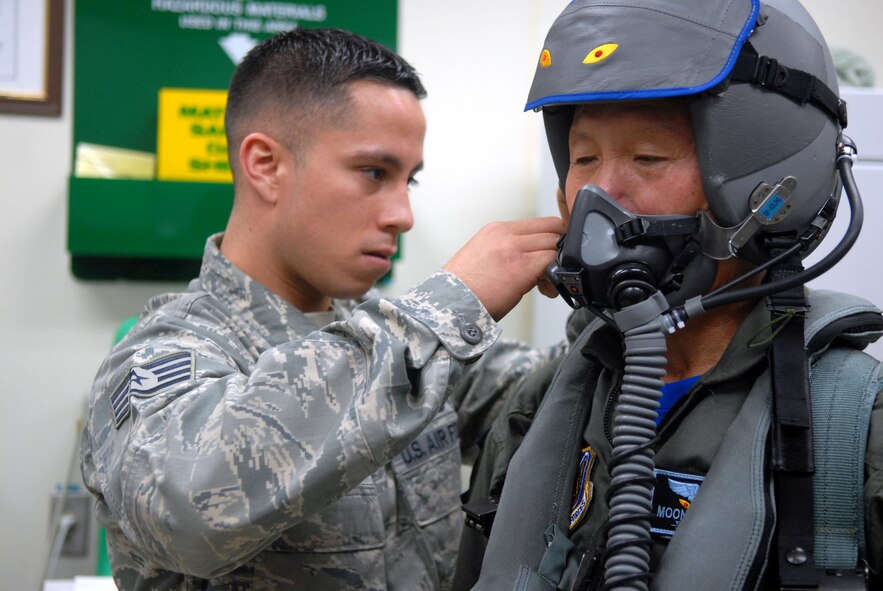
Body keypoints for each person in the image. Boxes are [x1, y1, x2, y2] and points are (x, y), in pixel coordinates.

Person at [79, 28, 566, 591]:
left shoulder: (392, 338)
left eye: (409, 180)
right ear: (265, 165)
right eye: (374, 173)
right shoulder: (166, 352)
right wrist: (451, 305)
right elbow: (189, 506)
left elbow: (545, 395)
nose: (403, 214)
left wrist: (610, 292)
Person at [456, 1, 883, 589]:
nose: (599, 195)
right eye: (584, 159)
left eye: (648, 157)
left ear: (767, 189)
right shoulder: (546, 402)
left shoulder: (854, 424)